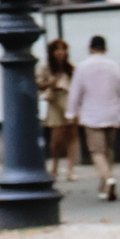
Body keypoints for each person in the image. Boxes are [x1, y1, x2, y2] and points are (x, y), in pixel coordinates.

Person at [66, 34, 120, 201]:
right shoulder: (115, 66)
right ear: (105, 49)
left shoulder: (82, 67)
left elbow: (75, 93)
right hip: (112, 112)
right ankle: (105, 183)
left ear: (90, 48)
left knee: (97, 152)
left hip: (92, 114)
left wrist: (71, 113)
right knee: (109, 150)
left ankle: (108, 178)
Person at [42, 39, 76, 181]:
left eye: (63, 49)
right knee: (57, 138)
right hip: (55, 102)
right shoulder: (46, 68)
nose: (61, 53)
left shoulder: (71, 69)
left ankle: (71, 168)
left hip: (70, 101)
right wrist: (52, 82)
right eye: (57, 50)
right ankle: (55, 164)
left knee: (72, 136)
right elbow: (39, 83)